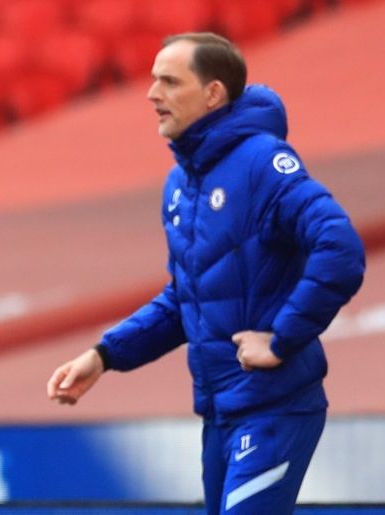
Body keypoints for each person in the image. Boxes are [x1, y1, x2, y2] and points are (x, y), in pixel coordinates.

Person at [46, 33, 365, 514]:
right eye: (154, 81)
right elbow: (186, 300)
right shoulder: (181, 184)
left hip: (274, 406)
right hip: (220, 412)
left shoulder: (263, 163)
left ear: (213, 93)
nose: (153, 95)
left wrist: (280, 339)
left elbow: (340, 248)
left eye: (170, 82)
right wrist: (106, 354)